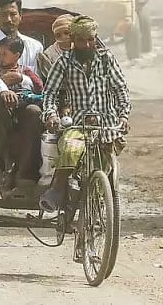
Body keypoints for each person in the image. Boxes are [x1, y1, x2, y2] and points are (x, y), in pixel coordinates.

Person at [40, 16, 131, 212]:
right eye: (82, 40)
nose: (87, 44)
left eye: (90, 39)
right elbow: (50, 94)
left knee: (106, 170)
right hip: (78, 124)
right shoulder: (63, 62)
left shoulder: (107, 59)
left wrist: (123, 116)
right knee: (71, 149)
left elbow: (120, 89)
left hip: (107, 126)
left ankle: (98, 206)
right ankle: (57, 190)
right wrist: (51, 114)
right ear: (73, 39)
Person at [0, 0, 44, 191]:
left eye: (13, 14)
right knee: (0, 106)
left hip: (27, 99)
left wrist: (20, 79)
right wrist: (4, 90)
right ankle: (5, 165)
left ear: (21, 16)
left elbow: (36, 79)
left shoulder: (34, 46)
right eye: (4, 14)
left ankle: (25, 172)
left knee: (35, 114)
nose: (9, 19)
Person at [0, 35, 43, 133]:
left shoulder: (24, 70)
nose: (0, 57)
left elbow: (39, 86)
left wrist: (21, 79)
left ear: (16, 56)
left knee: (34, 110)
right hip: (3, 105)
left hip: (24, 102)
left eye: (4, 54)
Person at [37, 14, 74, 81]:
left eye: (66, 33)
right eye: (58, 35)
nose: (63, 37)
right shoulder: (48, 55)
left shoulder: (83, 46)